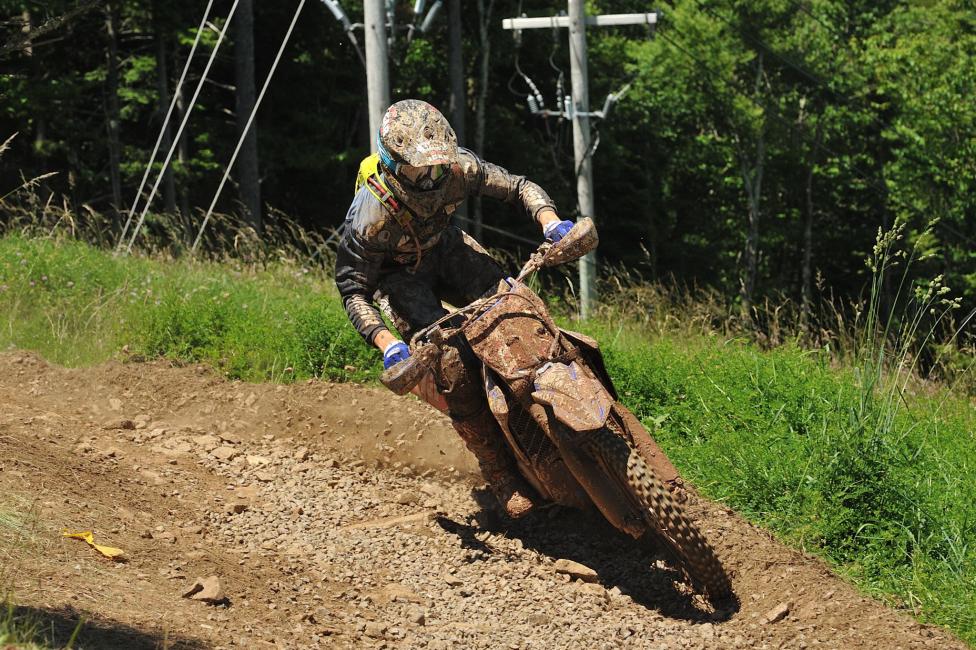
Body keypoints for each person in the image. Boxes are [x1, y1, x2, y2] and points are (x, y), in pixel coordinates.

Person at [335, 99, 576, 518]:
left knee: (514, 303)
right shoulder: (369, 214)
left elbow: (517, 185)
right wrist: (388, 343)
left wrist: (549, 220)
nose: (431, 177)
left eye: (437, 166)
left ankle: (573, 375)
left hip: (445, 248)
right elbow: (353, 287)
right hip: (399, 277)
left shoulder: (458, 168)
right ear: (394, 167)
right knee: (452, 367)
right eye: (419, 171)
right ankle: (499, 472)